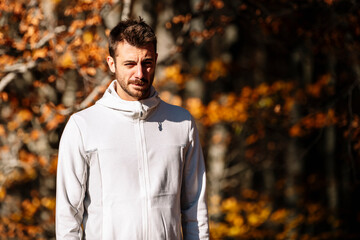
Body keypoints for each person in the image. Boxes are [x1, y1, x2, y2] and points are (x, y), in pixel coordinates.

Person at [56, 17, 209, 239]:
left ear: (155, 60)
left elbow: (196, 209)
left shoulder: (182, 123)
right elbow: (67, 217)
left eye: (146, 63)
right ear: (111, 63)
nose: (140, 73)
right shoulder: (83, 126)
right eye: (129, 64)